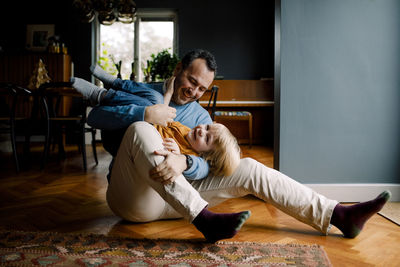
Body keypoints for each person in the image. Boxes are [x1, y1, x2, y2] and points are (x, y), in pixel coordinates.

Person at [86, 49, 391, 242]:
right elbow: (96, 116)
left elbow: (211, 160)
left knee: (247, 166)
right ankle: (204, 220)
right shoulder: (148, 93)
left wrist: (187, 163)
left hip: (178, 200)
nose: (194, 92)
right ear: (179, 69)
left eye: (202, 89)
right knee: (141, 129)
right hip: (135, 198)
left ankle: (338, 216)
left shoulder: (200, 116)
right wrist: (145, 112)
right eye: (191, 81)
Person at [71, 75, 241, 178]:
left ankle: (101, 94)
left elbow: (192, 162)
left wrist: (180, 155)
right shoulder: (186, 130)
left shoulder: (191, 149)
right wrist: (165, 95)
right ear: (177, 72)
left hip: (141, 146)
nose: (201, 129)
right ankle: (106, 91)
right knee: (155, 99)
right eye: (206, 127)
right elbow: (164, 116)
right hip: (117, 134)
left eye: (202, 88)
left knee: (154, 102)